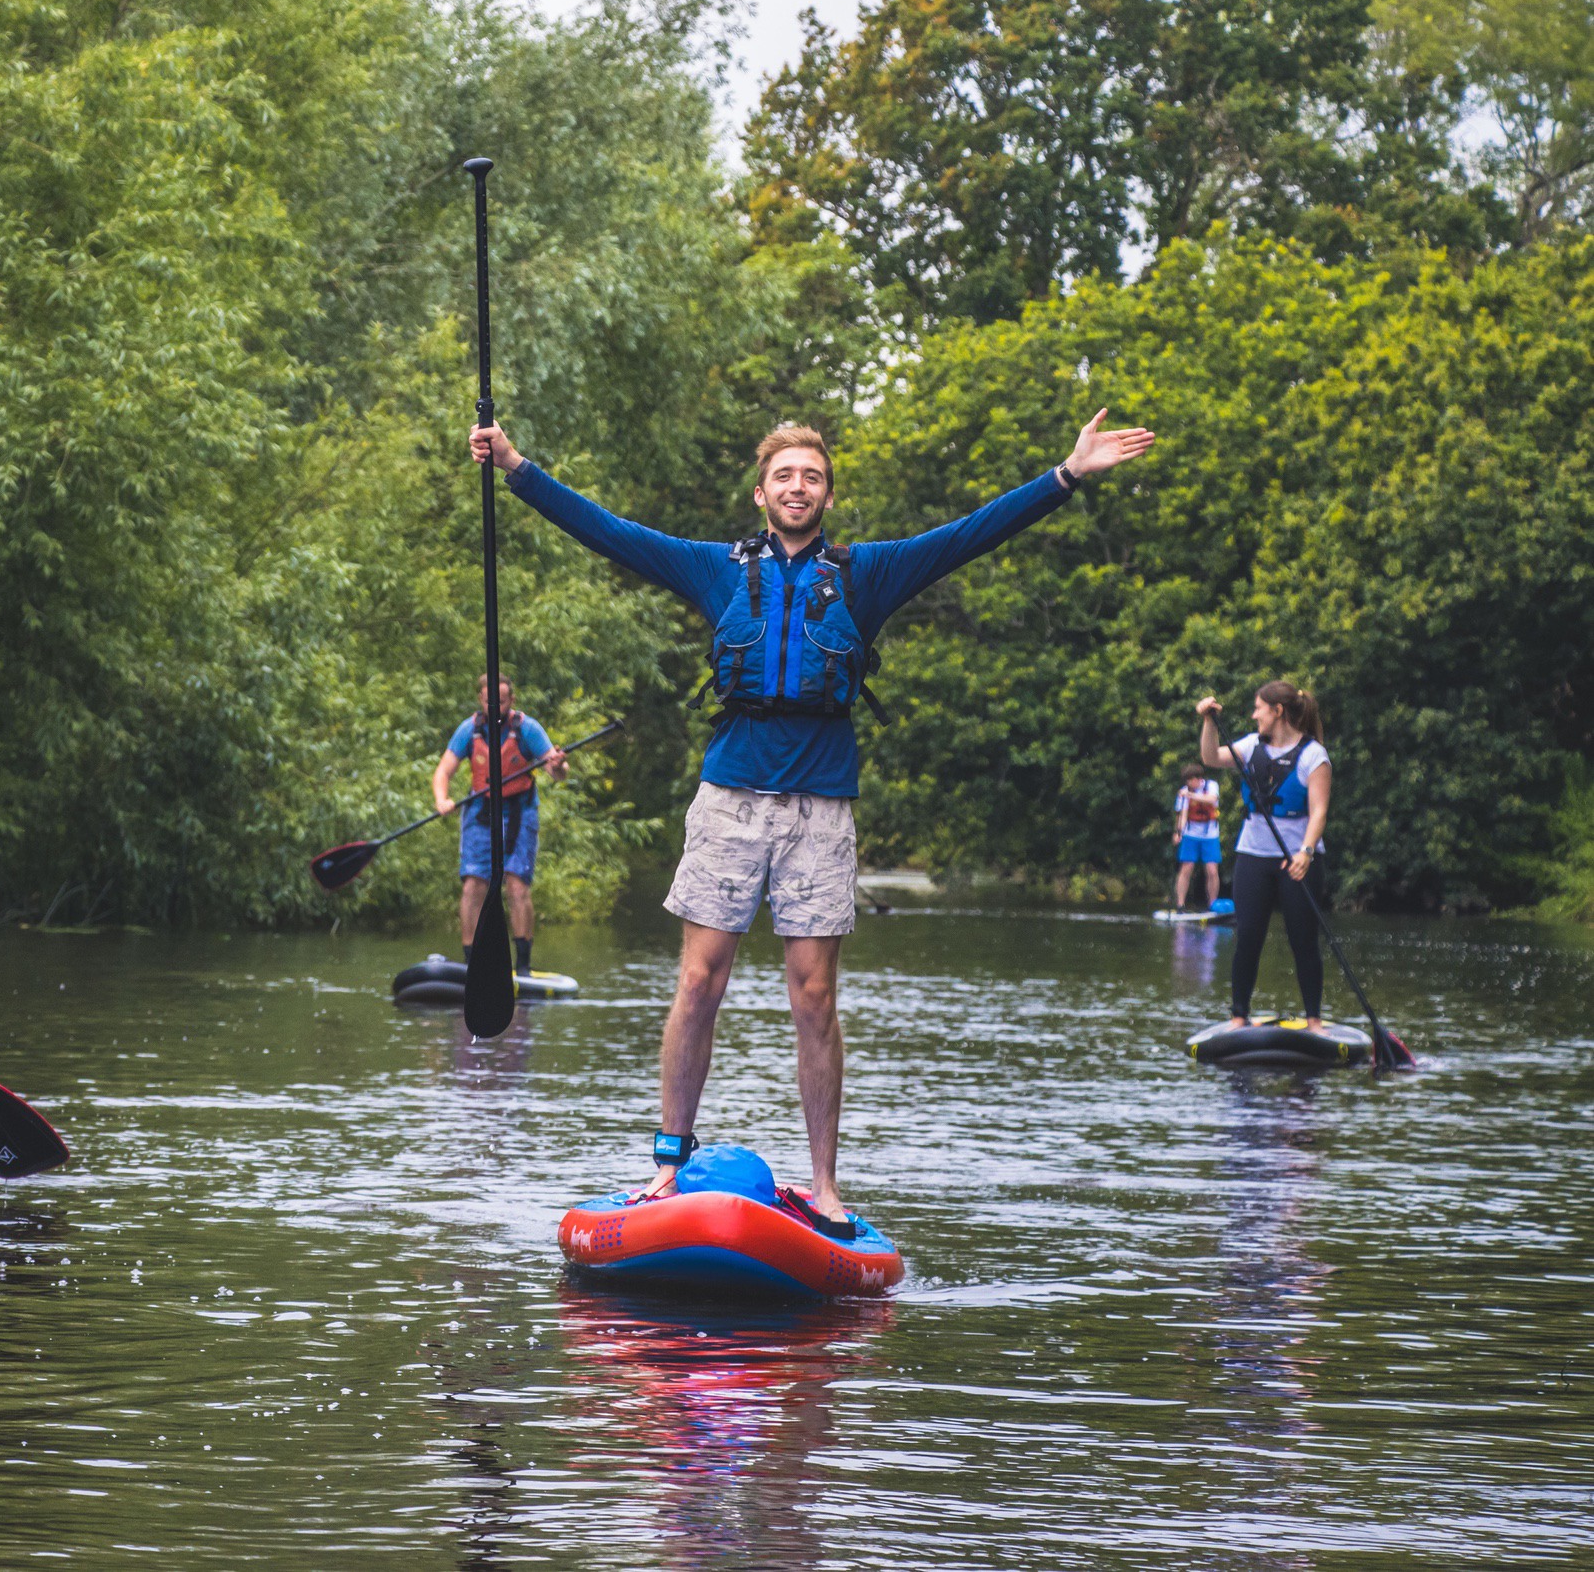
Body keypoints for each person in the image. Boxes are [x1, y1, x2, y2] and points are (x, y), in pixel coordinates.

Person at [468, 411, 1157, 1226]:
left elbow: (973, 534)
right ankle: (666, 1163)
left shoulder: (870, 573)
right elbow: (611, 533)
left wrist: (1067, 474)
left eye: (813, 476)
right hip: (729, 799)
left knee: (814, 996)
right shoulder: (715, 569)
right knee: (698, 981)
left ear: (828, 493)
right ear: (762, 493)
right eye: (786, 476)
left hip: (821, 808)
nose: (799, 487)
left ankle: (826, 1184)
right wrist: (516, 466)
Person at [1196, 682, 1331, 1028]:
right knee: (1248, 938)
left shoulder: (1314, 755)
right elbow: (1210, 758)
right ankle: (1239, 1016)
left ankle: (1314, 1019)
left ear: (1278, 712)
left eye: (1259, 708)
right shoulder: (1250, 745)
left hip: (1297, 860)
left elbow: (1318, 812)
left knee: (1303, 940)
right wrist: (1209, 723)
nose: (1254, 714)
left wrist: (1306, 852)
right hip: (1253, 854)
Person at [430, 674, 567, 973]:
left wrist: (558, 766)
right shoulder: (469, 730)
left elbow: (556, 770)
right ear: (480, 699)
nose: (496, 705)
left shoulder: (527, 729)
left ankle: (523, 967)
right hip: (481, 813)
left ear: (511, 700)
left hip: (520, 812)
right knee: (472, 887)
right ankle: (472, 964)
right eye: (491, 700)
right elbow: (443, 772)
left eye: (502, 700)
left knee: (516, 886)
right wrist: (442, 800)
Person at [1172, 762, 1224, 909]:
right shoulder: (1184, 792)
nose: (1189, 783)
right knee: (1186, 868)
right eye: (1187, 780)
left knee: (1212, 870)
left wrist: (1190, 795)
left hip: (1210, 835)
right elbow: (1182, 815)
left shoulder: (1211, 786)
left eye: (1191, 779)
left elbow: (1212, 799)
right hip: (1190, 835)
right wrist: (1178, 833)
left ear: (1198, 778)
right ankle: (1180, 905)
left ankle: (1212, 904)